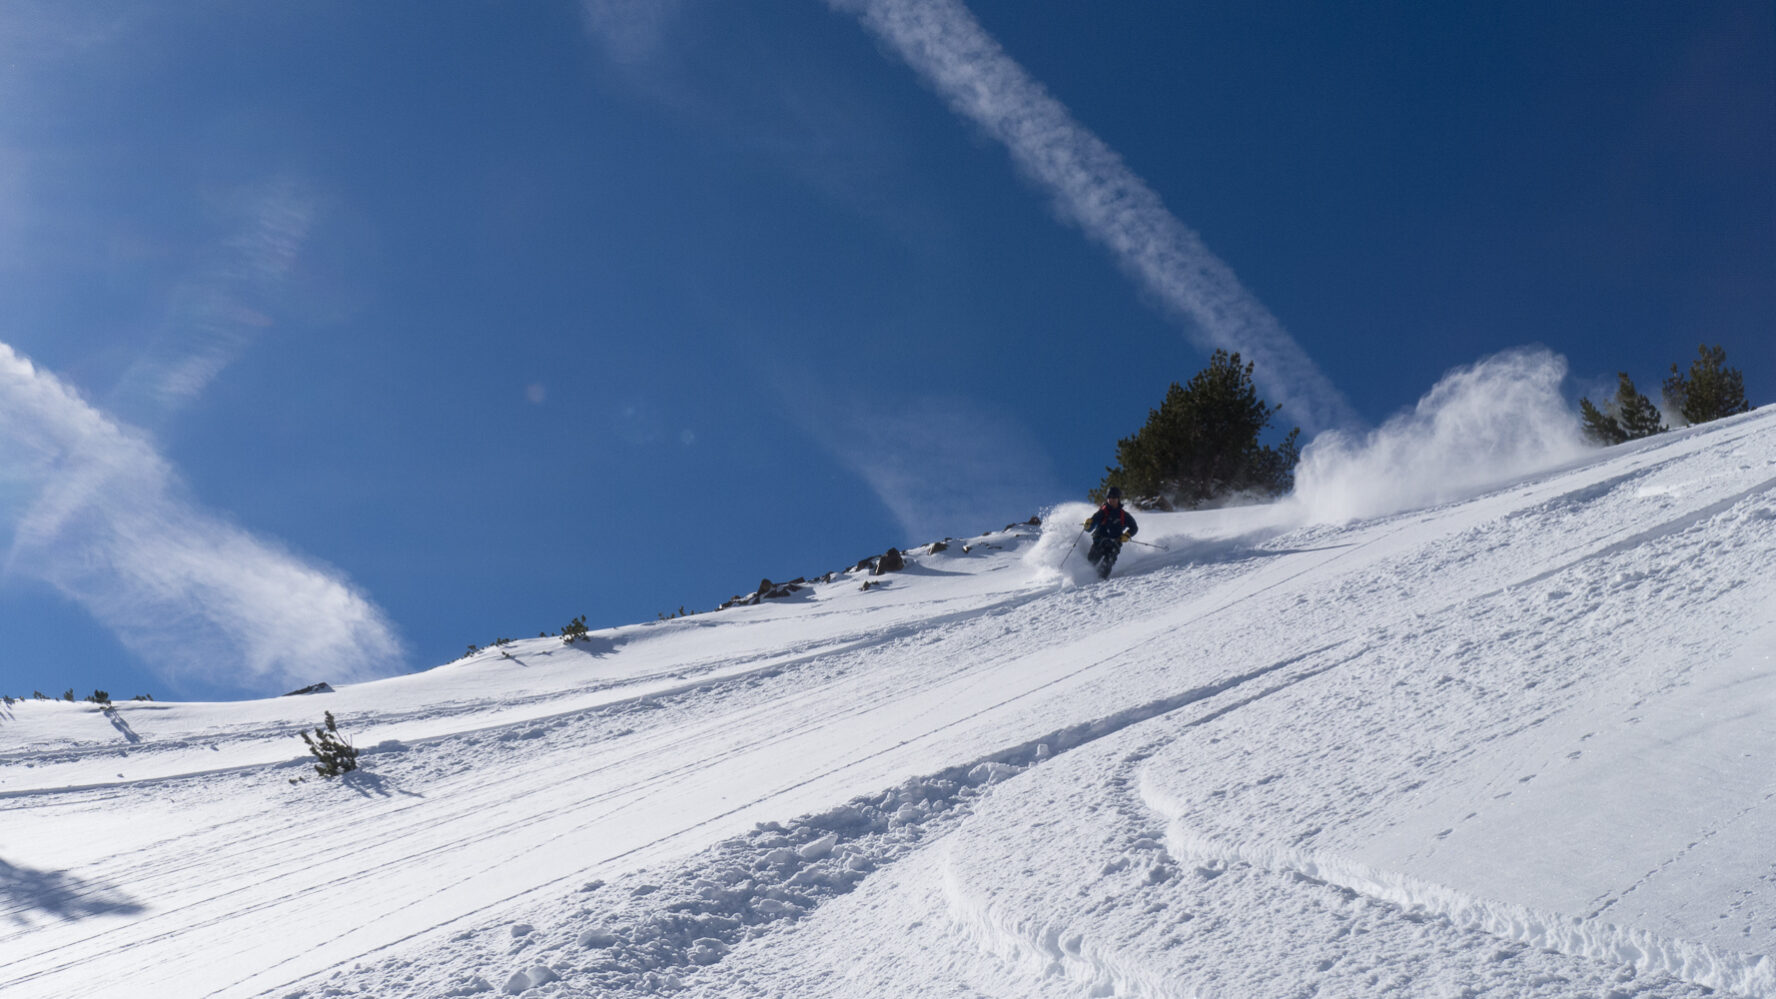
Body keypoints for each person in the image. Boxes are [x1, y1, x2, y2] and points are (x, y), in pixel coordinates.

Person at [1084, 486, 1138, 579]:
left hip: (1115, 543)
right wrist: (1088, 525)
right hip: (1100, 542)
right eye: (1109, 497)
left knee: (1109, 561)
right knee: (1092, 561)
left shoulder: (1123, 515)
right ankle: (1084, 576)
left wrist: (1127, 535)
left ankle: (1100, 580)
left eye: (1114, 497)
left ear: (1118, 498)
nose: (1111, 500)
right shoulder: (1102, 512)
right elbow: (1090, 527)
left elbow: (1134, 527)